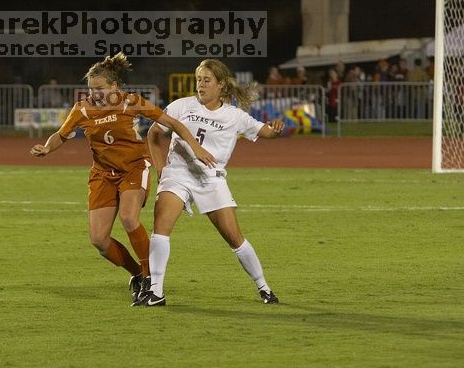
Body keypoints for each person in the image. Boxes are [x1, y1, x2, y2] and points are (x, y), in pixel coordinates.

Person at [30, 53, 215, 305]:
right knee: (99, 240)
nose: (94, 94)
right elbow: (61, 135)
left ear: (115, 86)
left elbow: (173, 123)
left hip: (133, 169)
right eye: (91, 89)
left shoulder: (132, 102)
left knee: (129, 218)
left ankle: (151, 279)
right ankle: (138, 274)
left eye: (100, 89)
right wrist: (47, 148)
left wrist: (196, 148)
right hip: (102, 174)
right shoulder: (82, 109)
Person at [138, 59, 284, 307]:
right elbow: (152, 134)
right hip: (179, 174)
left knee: (235, 238)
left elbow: (265, 132)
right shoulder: (181, 106)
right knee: (161, 228)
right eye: (198, 79)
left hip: (211, 180)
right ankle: (156, 292)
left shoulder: (235, 116)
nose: (201, 85)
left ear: (221, 84)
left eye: (206, 80)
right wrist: (162, 168)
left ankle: (264, 288)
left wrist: (276, 129)